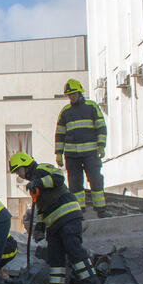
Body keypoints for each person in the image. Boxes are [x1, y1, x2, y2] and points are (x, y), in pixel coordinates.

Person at [8, 152, 100, 284]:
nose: (18, 175)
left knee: (74, 250)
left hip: (68, 217)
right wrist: (39, 227)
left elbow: (58, 177)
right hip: (54, 224)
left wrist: (38, 183)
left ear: (24, 165)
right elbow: (41, 208)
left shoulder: (41, 169)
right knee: (55, 256)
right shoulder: (33, 185)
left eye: (18, 171)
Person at [54, 79, 108, 215]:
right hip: (72, 155)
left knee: (95, 180)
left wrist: (101, 145)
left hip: (91, 153)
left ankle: (101, 209)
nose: (72, 97)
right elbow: (60, 134)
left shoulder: (91, 107)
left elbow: (101, 127)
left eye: (73, 94)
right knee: (75, 184)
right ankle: (78, 211)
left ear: (80, 93)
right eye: (69, 95)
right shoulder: (65, 112)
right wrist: (58, 153)